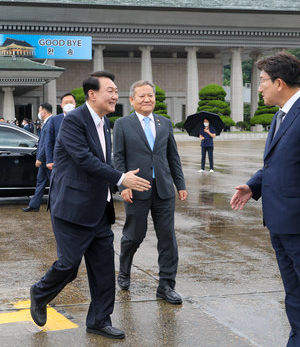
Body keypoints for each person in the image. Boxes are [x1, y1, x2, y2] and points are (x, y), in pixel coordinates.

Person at [30, 70, 151, 340]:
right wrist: (121, 178)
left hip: (99, 209)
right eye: (109, 90)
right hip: (72, 209)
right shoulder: (73, 121)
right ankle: (40, 293)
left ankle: (99, 320)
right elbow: (84, 159)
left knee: (103, 270)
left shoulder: (104, 123)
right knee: (69, 266)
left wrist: (119, 184)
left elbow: (103, 164)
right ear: (92, 94)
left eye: (115, 91)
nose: (115, 95)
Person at [230, 53, 300, 347]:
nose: (260, 88)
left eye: (262, 82)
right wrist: (253, 186)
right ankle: (299, 341)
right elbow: (279, 164)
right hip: (280, 221)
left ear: (279, 83)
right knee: (295, 293)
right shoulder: (282, 114)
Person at [113, 80, 187, 304]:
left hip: (163, 189)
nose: (147, 100)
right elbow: (118, 158)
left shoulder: (164, 123)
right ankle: (124, 271)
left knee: (168, 239)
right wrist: (123, 186)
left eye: (150, 96)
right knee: (134, 235)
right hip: (136, 188)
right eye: (142, 96)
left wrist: (180, 184)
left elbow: (172, 156)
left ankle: (166, 285)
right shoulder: (122, 124)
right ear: (132, 100)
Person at [22, 102, 53, 212]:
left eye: (39, 111)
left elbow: (46, 143)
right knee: (40, 182)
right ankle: (34, 205)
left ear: (43, 112)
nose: (39, 113)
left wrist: (39, 158)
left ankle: (59, 206)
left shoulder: (50, 123)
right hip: (45, 161)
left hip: (47, 161)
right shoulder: (46, 123)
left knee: (55, 185)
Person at [44, 93, 76, 171]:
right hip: (59, 160)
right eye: (66, 102)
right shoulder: (54, 120)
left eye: (71, 102)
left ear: (75, 104)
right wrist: (49, 160)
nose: (69, 104)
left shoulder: (82, 119)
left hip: (77, 159)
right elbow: (49, 141)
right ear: (61, 105)